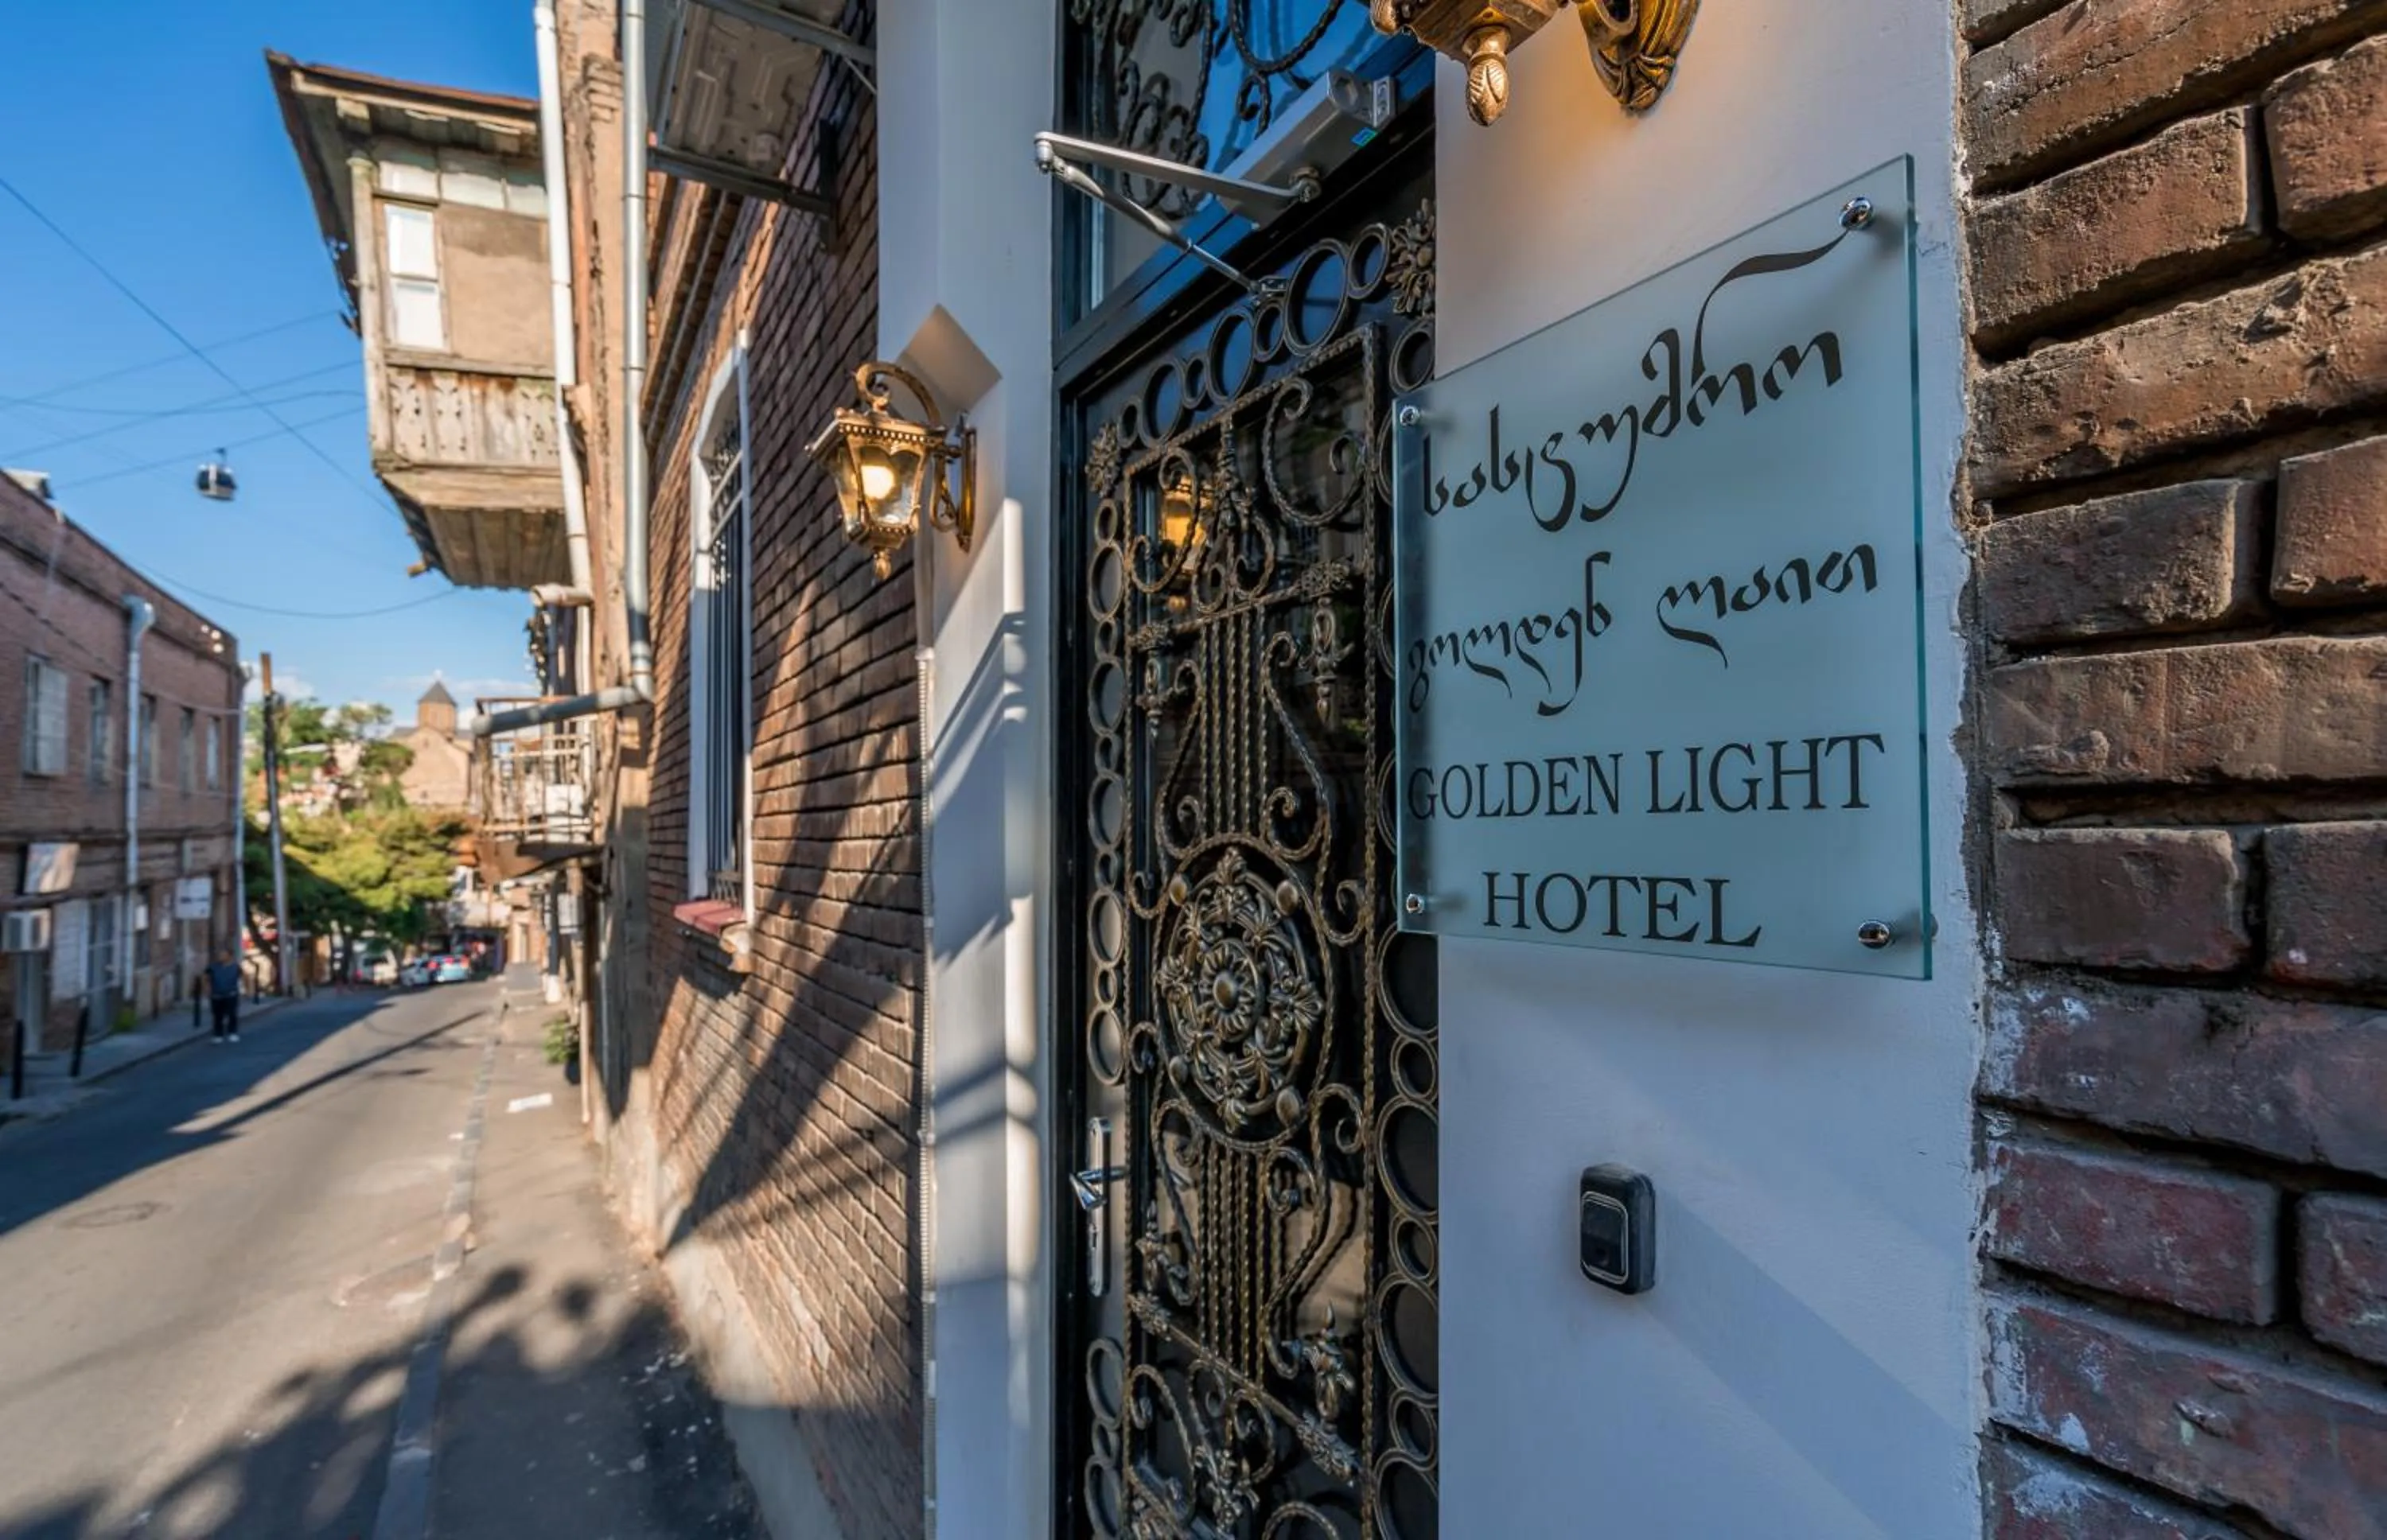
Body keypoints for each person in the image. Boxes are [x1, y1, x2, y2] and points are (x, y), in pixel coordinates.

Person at [206, 950, 243, 1043]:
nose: (221, 957)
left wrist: (246, 990)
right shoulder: (213, 967)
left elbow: (243, 977)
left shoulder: (236, 967)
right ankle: (218, 1034)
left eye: (223, 955)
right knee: (218, 1016)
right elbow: (206, 978)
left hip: (231, 993)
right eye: (220, 955)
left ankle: (232, 1032)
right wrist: (208, 990)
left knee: (232, 1014)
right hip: (217, 994)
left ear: (229, 956)